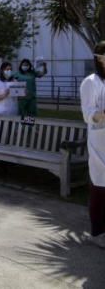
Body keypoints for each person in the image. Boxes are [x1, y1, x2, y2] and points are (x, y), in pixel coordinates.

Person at [80, 42, 105, 249]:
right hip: (99, 141)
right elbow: (88, 114)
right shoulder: (91, 82)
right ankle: (97, 232)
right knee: (99, 186)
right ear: (100, 58)